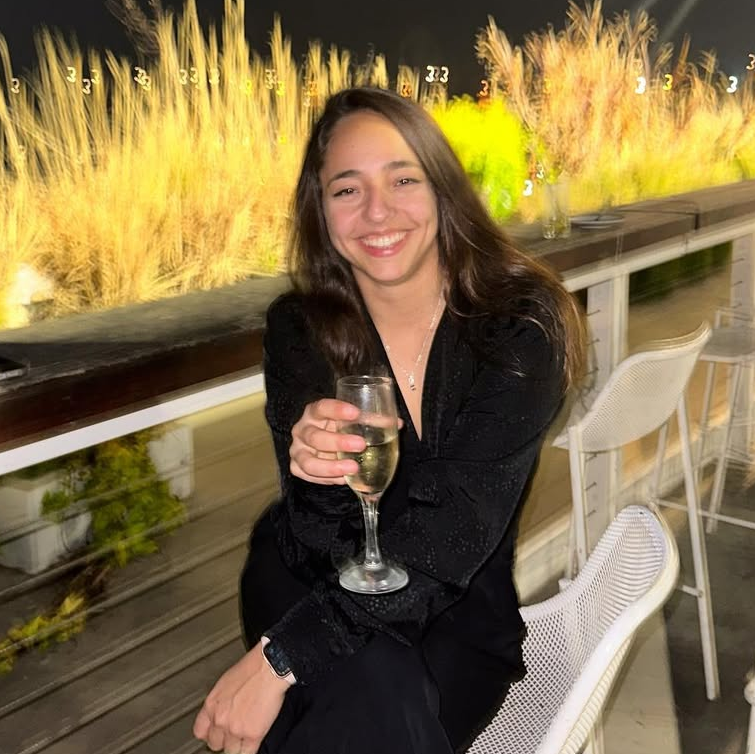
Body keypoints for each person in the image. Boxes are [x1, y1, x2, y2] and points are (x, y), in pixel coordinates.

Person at [193, 86, 585, 754]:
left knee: (360, 697)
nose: (377, 211)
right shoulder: (300, 329)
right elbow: (316, 537)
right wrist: (315, 475)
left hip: (458, 609)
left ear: (442, 189)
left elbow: (453, 530)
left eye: (403, 179)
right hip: (310, 578)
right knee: (373, 690)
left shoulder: (518, 326)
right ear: (320, 210)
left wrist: (282, 658)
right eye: (347, 189)